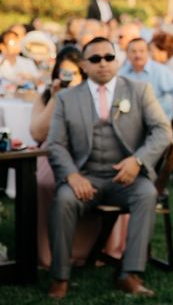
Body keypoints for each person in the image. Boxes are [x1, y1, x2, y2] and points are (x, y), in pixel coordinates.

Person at [46, 37, 172, 299]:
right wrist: (72, 176)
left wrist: (137, 161)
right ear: (84, 64)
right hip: (85, 176)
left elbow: (163, 131)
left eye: (108, 57)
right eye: (95, 59)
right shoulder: (67, 99)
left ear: (116, 61)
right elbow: (55, 144)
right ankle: (60, 277)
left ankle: (130, 273)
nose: (103, 63)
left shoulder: (139, 90)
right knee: (63, 199)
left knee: (147, 194)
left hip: (125, 178)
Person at [30, 46, 130, 270]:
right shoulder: (47, 96)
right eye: (62, 74)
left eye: (73, 74)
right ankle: (53, 253)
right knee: (45, 183)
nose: (67, 80)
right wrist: (57, 99)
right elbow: (37, 133)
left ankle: (98, 248)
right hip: (54, 154)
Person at [119, 38, 173, 120]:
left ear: (148, 52)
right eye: (133, 51)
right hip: (132, 122)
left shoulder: (160, 70)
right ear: (127, 53)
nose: (138, 55)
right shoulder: (122, 73)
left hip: (158, 122)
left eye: (141, 51)